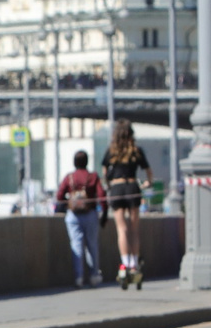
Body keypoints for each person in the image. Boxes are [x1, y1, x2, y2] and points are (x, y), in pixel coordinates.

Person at [102, 121, 151, 289]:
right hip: (132, 187)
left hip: (116, 188)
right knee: (133, 229)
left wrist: (110, 185)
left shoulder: (111, 151)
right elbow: (148, 173)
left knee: (121, 229)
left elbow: (105, 173)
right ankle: (134, 264)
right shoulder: (136, 151)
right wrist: (146, 184)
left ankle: (124, 262)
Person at [56, 149, 104, 287]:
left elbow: (59, 196)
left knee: (76, 246)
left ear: (74, 162)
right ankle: (94, 275)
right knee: (92, 246)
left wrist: (69, 204)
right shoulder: (93, 176)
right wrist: (104, 212)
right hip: (90, 214)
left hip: (73, 216)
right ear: (87, 161)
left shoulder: (70, 177)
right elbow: (102, 195)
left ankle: (79, 277)